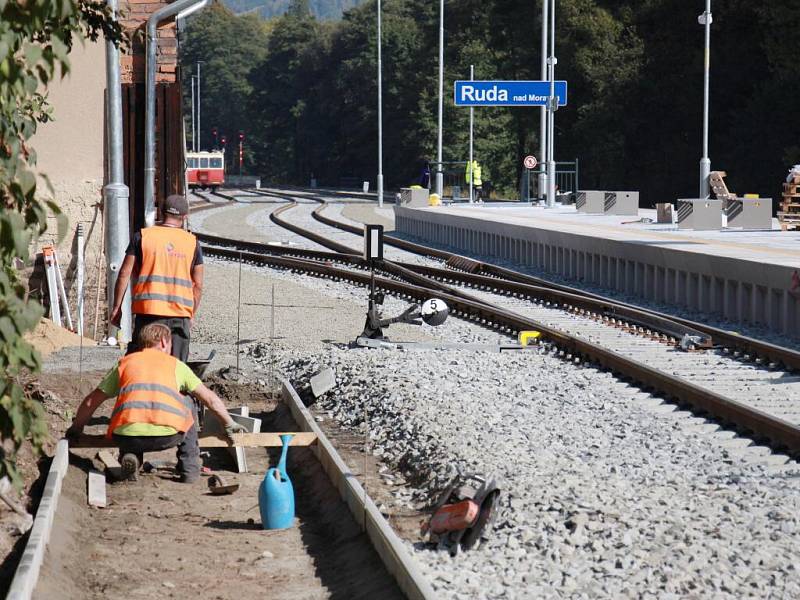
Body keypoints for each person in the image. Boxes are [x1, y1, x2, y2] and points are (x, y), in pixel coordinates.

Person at [65, 323, 246, 482]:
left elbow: (92, 400)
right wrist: (229, 423)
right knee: (189, 401)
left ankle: (131, 457)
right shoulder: (176, 365)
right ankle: (189, 468)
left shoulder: (124, 364)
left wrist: (76, 428)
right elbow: (210, 399)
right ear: (164, 342)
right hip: (167, 437)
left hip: (126, 438)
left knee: (134, 406)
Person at [110, 193, 203, 363]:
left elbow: (124, 273)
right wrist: (191, 314)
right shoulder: (192, 243)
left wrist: (117, 307)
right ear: (185, 216)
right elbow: (197, 285)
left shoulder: (142, 237)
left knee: (141, 364)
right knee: (176, 369)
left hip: (148, 314)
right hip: (179, 315)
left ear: (161, 212)